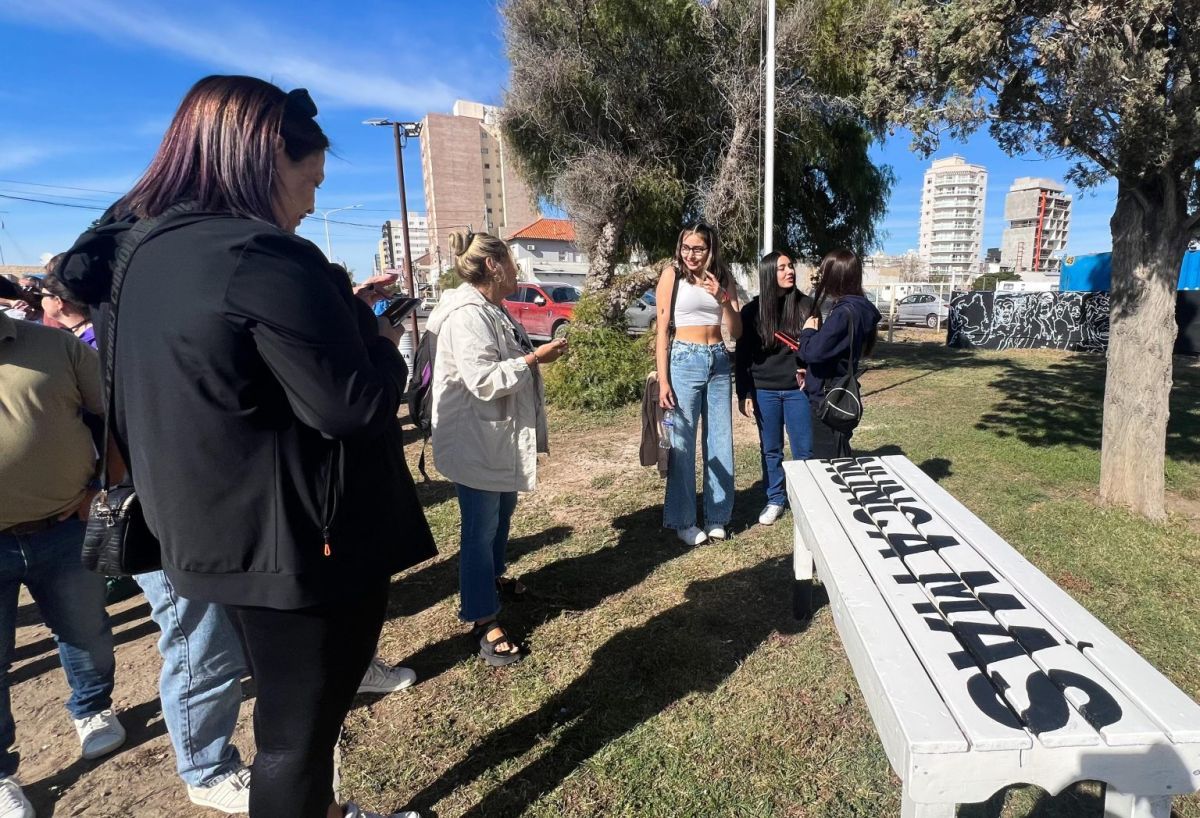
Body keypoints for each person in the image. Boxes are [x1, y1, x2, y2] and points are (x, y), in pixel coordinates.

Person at [57, 75, 435, 818]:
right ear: (263, 157)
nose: (314, 201)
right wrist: (381, 340)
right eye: (309, 177)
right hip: (296, 545)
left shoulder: (138, 257)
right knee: (296, 736)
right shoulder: (260, 255)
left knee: (286, 724)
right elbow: (352, 404)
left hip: (204, 532)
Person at [0, 277, 126, 818]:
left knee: (85, 629)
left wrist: (104, 486)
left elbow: (114, 415)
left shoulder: (55, 346)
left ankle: (92, 707)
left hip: (64, 525)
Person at [427, 230, 567, 667]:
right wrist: (534, 360)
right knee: (479, 530)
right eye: (511, 260)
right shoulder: (467, 315)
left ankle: (492, 579)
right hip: (475, 439)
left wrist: (530, 358)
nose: (517, 268)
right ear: (493, 265)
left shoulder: (494, 308)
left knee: (500, 516)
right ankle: (482, 618)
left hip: (495, 438)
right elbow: (483, 380)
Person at [654, 223, 742, 545]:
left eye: (698, 248)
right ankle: (684, 520)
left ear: (710, 249)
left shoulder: (723, 277)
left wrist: (721, 297)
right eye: (686, 248)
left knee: (720, 440)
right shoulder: (671, 275)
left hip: (718, 359)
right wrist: (663, 379)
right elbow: (662, 331)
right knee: (683, 443)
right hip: (684, 360)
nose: (691, 255)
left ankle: (718, 516)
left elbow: (737, 329)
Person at [735, 251, 815, 525]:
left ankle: (806, 498)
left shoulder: (807, 306)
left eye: (791, 266)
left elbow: (816, 351)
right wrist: (743, 393)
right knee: (771, 449)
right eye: (782, 268)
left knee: (804, 449)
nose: (789, 271)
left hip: (797, 391)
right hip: (763, 391)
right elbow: (742, 356)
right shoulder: (751, 312)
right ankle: (775, 499)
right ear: (770, 274)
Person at [796, 249, 881, 458]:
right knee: (838, 452)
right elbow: (833, 353)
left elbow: (813, 352)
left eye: (824, 272)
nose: (820, 278)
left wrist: (807, 332)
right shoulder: (858, 308)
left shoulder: (843, 313)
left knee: (830, 462)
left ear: (835, 276)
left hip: (828, 399)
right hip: (840, 392)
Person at [39, 260, 95, 346]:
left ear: (58, 302)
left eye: (43, 295)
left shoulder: (93, 343)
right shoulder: (86, 336)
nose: (41, 300)